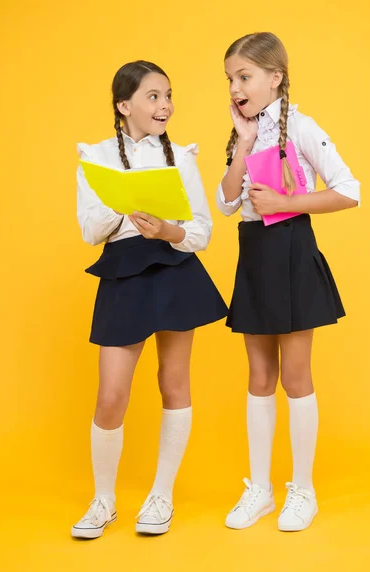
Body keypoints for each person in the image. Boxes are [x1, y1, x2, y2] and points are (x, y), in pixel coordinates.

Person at [72, 60, 227, 538]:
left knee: (173, 382)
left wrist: (167, 229)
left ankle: (162, 494)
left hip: (175, 268)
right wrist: (125, 208)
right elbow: (89, 230)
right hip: (123, 271)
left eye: (167, 95)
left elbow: (200, 230)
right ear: (125, 105)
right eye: (153, 96)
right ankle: (103, 501)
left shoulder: (180, 155)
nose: (165, 105)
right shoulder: (96, 156)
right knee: (111, 394)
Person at [217, 33, 360, 532]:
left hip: (294, 253)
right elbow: (227, 202)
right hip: (254, 256)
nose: (235, 87)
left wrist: (285, 204)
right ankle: (260, 489)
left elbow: (348, 190)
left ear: (274, 78)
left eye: (244, 76)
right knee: (259, 378)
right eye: (231, 79)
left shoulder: (301, 126)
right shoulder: (245, 132)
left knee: (296, 376)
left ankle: (303, 489)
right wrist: (243, 145)